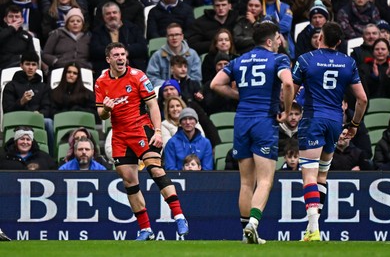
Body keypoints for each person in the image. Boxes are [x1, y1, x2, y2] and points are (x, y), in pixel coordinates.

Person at [210, 21, 294, 244]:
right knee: (265, 180)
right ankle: (254, 224)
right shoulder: (278, 59)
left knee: (246, 182)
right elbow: (288, 83)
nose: (279, 42)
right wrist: (286, 111)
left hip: (241, 121)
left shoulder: (239, 60)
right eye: (277, 38)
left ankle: (245, 233)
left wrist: (242, 96)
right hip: (263, 121)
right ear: (269, 41)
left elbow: (215, 84)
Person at [95, 42, 188, 240]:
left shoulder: (138, 76)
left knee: (155, 168)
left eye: (123, 54)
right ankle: (146, 229)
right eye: (116, 55)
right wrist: (107, 110)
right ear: (108, 59)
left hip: (141, 129)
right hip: (120, 135)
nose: (120, 58)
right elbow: (100, 115)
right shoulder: (101, 81)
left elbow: (153, 105)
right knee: (129, 181)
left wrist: (158, 131)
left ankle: (179, 216)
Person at [292, 22, 368, 241]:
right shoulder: (348, 62)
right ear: (339, 42)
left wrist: (288, 108)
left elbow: (291, 91)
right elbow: (362, 99)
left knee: (308, 174)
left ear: (320, 38)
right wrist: (353, 124)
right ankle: (312, 228)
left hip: (313, 119)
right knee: (322, 175)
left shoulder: (306, 59)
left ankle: (313, 228)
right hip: (335, 121)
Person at [2, 51, 54, 153]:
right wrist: (21, 102)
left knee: (48, 122)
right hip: (17, 119)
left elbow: (47, 107)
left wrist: (40, 114)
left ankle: (51, 156)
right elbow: (7, 110)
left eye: (33, 64)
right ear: (21, 65)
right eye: (27, 64)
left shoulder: (43, 86)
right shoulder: (11, 85)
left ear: (37, 67)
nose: (30, 67)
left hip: (37, 119)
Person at [90, 2, 147, 77]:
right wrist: (114, 55)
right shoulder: (97, 31)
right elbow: (95, 50)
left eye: (114, 12)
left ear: (120, 14)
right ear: (103, 17)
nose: (112, 15)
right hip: (106, 69)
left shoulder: (132, 28)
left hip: (132, 66)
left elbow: (142, 47)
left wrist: (126, 52)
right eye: (108, 13)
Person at [146, 22, 202, 87]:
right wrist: (169, 85)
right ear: (167, 37)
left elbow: (196, 78)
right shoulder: (157, 56)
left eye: (177, 34)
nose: (174, 38)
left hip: (187, 90)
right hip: (165, 90)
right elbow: (151, 78)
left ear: (182, 36)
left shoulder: (192, 54)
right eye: (171, 35)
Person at [0, 4, 34, 70]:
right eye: (10, 16)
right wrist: (11, 28)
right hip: (4, 67)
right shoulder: (2, 32)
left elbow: (32, 56)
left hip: (24, 68)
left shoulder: (27, 36)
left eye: (17, 16)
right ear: (5, 19)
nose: (14, 19)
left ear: (22, 20)